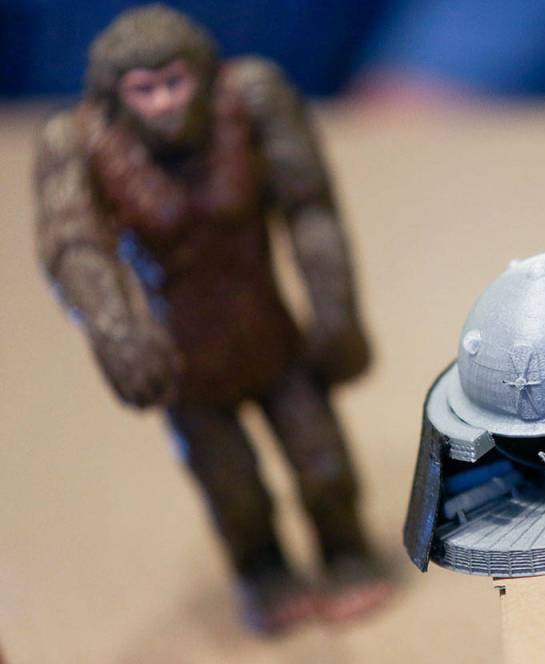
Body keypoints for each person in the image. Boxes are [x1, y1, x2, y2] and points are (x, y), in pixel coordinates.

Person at [33, 4, 390, 634]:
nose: (166, 103)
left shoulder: (251, 99)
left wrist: (336, 312)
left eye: (175, 82)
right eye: (145, 91)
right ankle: (264, 574)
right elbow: (73, 249)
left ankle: (346, 553)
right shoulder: (79, 141)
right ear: (115, 97)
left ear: (205, 72)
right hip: (188, 363)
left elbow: (310, 207)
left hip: (273, 338)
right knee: (234, 493)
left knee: (324, 465)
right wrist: (120, 336)